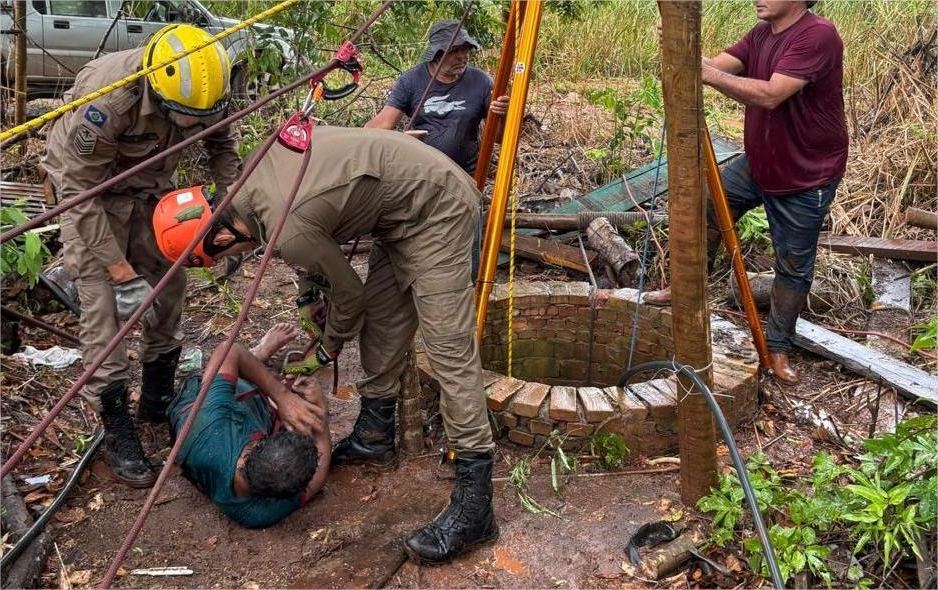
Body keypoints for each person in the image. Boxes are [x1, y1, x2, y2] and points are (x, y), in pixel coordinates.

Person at [152, 127, 498, 565]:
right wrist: (309, 297)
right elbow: (311, 247)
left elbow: (348, 296)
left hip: (436, 205)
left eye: (221, 257)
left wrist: (323, 350)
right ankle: (374, 435)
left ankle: (475, 503)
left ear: (219, 238)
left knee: (448, 349)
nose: (231, 260)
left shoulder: (285, 223)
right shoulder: (252, 186)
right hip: (395, 215)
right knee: (383, 324)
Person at [40, 24, 242, 487]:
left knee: (169, 289)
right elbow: (79, 192)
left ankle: (156, 399)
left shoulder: (208, 89)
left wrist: (232, 213)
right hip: (89, 193)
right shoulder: (108, 101)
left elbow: (223, 145)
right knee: (105, 312)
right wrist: (120, 271)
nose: (192, 125)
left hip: (152, 190)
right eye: (183, 118)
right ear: (156, 90)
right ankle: (116, 423)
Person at [643, 0, 847, 385]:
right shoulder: (761, 34)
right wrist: (678, 44)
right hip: (760, 162)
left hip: (806, 175)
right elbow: (716, 66)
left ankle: (778, 346)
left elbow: (770, 94)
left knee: (793, 264)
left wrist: (701, 71)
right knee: (707, 205)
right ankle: (687, 288)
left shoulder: (818, 35)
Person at [168, 323, 331, 528]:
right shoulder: (260, 514)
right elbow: (318, 481)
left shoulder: (213, 423)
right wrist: (320, 413)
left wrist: (282, 397)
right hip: (227, 420)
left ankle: (256, 356)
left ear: (257, 446)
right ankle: (255, 362)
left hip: (197, 408)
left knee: (233, 374)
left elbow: (228, 350)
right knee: (290, 408)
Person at [364, 19, 508, 175]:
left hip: (465, 176)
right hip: (423, 175)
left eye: (465, 49)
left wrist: (503, 115)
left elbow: (499, 137)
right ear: (437, 54)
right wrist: (357, 140)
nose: (462, 57)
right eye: (454, 51)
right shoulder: (411, 80)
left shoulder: (481, 81)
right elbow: (383, 123)